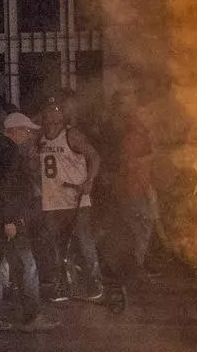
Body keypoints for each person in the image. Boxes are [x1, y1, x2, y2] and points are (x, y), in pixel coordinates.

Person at [0, 113, 46, 331]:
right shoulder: (9, 151)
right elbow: (5, 187)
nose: (28, 134)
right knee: (27, 265)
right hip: (9, 219)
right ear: (14, 130)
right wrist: (10, 219)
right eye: (25, 130)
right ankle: (32, 318)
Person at [35, 95, 103, 302]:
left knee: (82, 240)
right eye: (49, 110)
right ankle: (63, 285)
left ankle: (94, 283)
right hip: (52, 201)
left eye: (56, 110)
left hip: (75, 199)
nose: (52, 114)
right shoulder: (39, 137)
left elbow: (95, 157)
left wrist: (90, 180)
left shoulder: (71, 135)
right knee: (56, 245)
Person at [97, 88, 161, 279]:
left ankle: (124, 265)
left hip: (130, 185)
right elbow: (129, 161)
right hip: (131, 186)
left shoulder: (125, 127)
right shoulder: (128, 130)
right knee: (139, 225)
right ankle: (133, 266)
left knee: (132, 226)